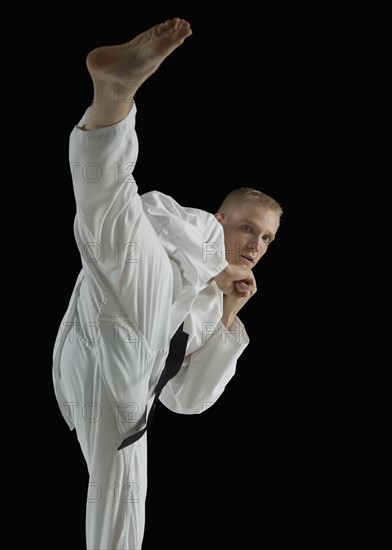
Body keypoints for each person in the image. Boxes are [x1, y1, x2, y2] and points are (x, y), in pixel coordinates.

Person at [52, 17, 283, 550]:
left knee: (124, 493)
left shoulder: (209, 311)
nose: (256, 244)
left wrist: (227, 313)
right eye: (249, 227)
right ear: (226, 220)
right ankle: (113, 97)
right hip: (108, 310)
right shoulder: (193, 224)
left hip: (119, 379)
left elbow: (186, 399)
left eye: (268, 239)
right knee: (112, 222)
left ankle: (111, 93)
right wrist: (214, 268)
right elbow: (137, 217)